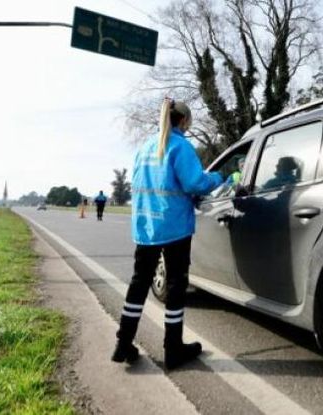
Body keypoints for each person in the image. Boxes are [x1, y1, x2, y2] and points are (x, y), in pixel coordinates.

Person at [112, 98, 223, 369]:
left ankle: (123, 344)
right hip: (173, 226)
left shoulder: (146, 147)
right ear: (183, 121)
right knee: (175, 287)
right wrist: (220, 178)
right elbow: (195, 182)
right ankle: (173, 348)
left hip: (146, 227)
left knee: (138, 284)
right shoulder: (180, 146)